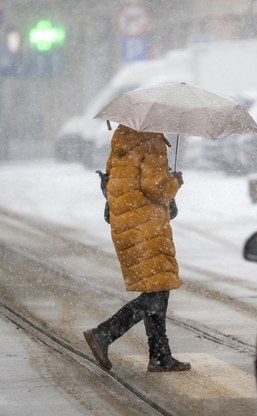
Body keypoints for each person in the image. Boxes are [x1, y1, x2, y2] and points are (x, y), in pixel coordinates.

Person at [83, 124, 191, 373]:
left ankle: (160, 355)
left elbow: (114, 181)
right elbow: (156, 188)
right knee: (155, 294)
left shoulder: (122, 140)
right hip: (146, 227)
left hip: (126, 226)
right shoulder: (152, 143)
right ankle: (104, 334)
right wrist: (174, 181)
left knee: (157, 290)